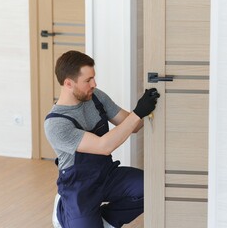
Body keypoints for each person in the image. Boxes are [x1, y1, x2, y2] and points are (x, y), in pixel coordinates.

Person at [44, 50, 160, 228]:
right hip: (79, 188)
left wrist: (146, 106)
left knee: (150, 187)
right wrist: (137, 113)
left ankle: (105, 220)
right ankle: (63, 211)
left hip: (106, 175)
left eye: (94, 78)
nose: (94, 83)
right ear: (68, 83)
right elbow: (103, 146)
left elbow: (133, 125)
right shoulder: (56, 124)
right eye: (88, 80)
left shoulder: (96, 97)